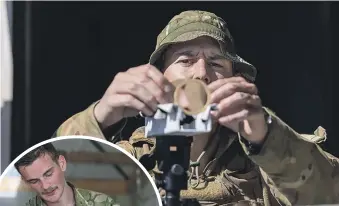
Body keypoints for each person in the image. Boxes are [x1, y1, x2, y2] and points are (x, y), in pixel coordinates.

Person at [53, 10, 339, 205]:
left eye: (216, 63)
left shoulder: (267, 163)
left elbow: (329, 193)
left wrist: (265, 136)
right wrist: (100, 116)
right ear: (158, 77)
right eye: (186, 60)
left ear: (235, 80)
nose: (201, 73)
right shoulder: (126, 162)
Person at [14, 143, 119, 206]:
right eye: (34, 181)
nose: (45, 186)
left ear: (62, 163)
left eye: (48, 174)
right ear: (24, 180)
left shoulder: (102, 203)